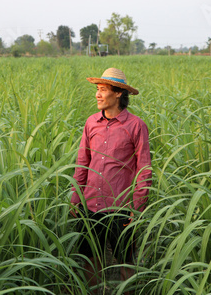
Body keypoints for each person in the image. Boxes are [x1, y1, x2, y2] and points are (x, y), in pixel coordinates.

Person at [70, 67, 152, 293]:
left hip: (120, 206)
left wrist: (138, 206)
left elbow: (144, 169)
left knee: (125, 260)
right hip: (91, 205)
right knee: (90, 259)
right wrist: (75, 198)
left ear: (118, 94)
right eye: (97, 89)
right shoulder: (91, 123)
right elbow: (82, 163)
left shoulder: (135, 126)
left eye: (103, 90)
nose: (97, 94)